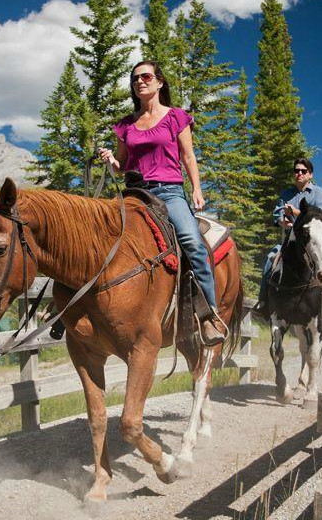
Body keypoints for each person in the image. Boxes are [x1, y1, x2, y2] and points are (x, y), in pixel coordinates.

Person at [98, 60, 227, 345]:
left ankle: (209, 315)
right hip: (133, 193)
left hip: (168, 193)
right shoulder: (126, 125)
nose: (140, 82)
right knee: (97, 233)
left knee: (193, 243)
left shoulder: (176, 117)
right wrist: (111, 161)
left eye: (146, 77)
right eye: (135, 79)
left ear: (159, 82)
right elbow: (122, 166)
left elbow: (188, 156)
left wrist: (196, 189)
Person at [254, 158, 322, 316]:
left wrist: (295, 212)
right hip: (293, 239)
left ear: (310, 174)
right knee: (270, 259)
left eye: (303, 171)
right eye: (296, 171)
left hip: (317, 238)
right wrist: (284, 221)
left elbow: (320, 216)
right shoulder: (286, 194)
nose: (299, 173)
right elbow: (277, 216)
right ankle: (263, 302)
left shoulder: (319, 193)